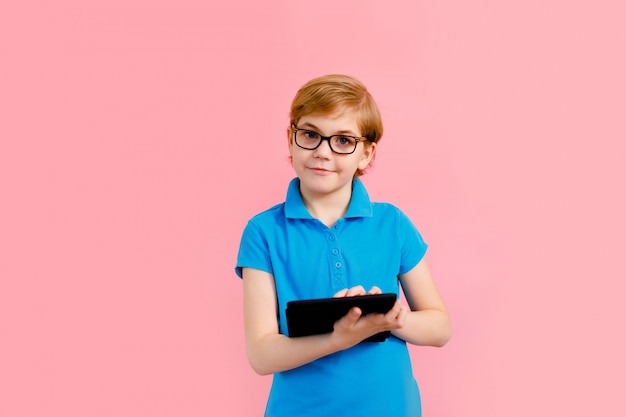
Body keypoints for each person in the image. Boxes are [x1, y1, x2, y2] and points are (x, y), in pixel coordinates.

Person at [235, 74, 451, 416]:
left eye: (343, 140)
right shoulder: (263, 231)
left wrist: (393, 320)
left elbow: (440, 327)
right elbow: (262, 354)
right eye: (310, 135)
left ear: (366, 153)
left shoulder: (392, 224)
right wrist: (340, 337)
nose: (323, 152)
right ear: (290, 140)